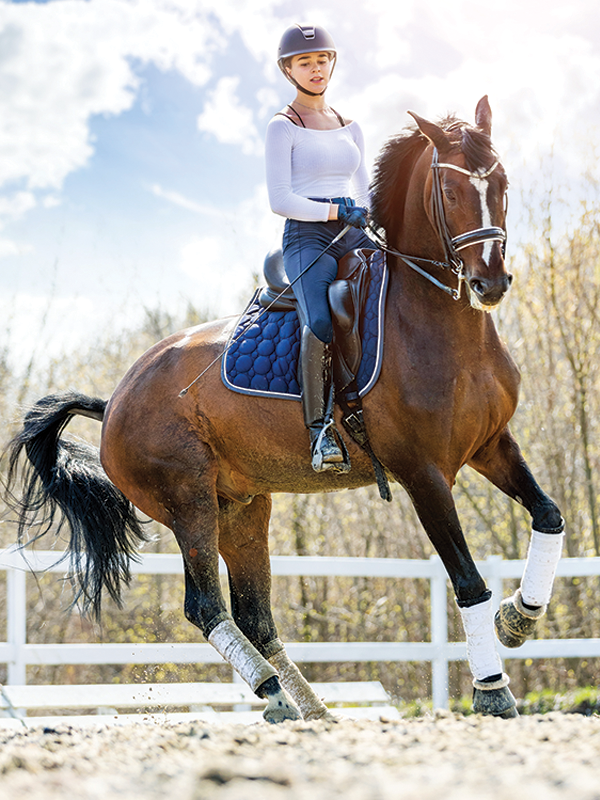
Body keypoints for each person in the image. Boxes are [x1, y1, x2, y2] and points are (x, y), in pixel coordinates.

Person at [265, 23, 372, 473]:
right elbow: (280, 200)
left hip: (354, 231)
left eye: (322, 60)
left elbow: (366, 191)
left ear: (332, 63)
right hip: (307, 239)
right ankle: (321, 431)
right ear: (289, 70)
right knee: (322, 320)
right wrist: (334, 213)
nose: (315, 69)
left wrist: (363, 215)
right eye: (305, 62)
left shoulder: (352, 126)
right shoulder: (282, 126)